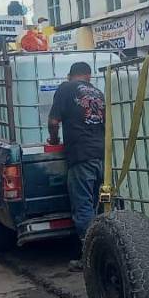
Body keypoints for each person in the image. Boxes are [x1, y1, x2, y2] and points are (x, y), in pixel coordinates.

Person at [48, 62, 105, 239]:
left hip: (81, 155)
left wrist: (55, 140)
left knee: (83, 207)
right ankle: (102, 251)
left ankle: (89, 257)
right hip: (103, 156)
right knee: (97, 204)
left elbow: (53, 122)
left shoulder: (65, 88)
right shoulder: (99, 93)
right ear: (89, 76)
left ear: (69, 75)